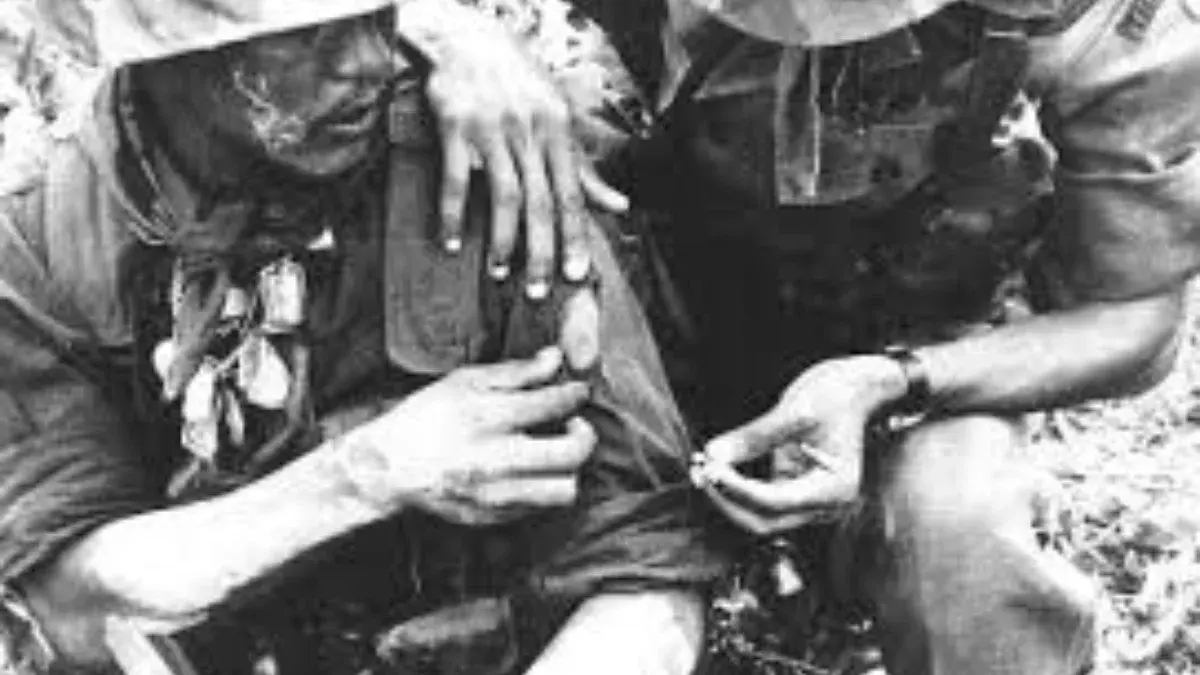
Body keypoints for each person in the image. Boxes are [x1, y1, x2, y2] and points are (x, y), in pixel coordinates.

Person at [0, 1, 722, 674]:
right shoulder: (45, 243)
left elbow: (648, 571)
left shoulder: (488, 162)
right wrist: (364, 473)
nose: (371, 60)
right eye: (305, 34)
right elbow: (67, 610)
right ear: (162, 44)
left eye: (380, 11)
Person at [596, 0, 1200, 673]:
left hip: (913, 339)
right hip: (659, 313)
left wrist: (893, 381)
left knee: (959, 532)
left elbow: (1136, 320)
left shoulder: (1089, 18)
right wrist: (501, 69)